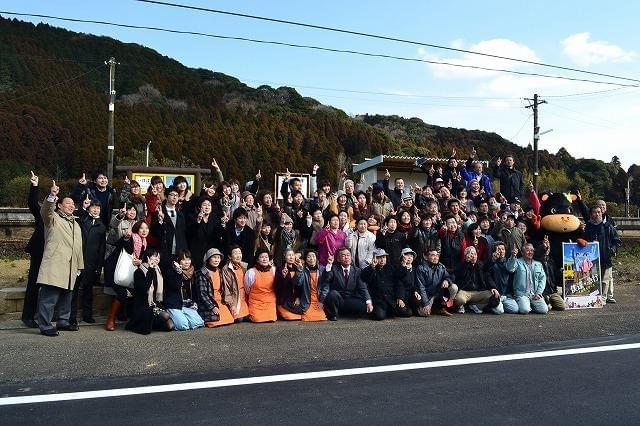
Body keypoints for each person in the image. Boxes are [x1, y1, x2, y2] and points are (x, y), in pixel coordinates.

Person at [36, 180, 84, 336]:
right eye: (67, 203)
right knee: (49, 297)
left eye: (73, 204)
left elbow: (78, 247)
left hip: (71, 266)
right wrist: (51, 196)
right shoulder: (53, 219)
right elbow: (45, 211)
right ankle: (45, 325)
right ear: (59, 206)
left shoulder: (75, 223)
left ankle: (63, 321)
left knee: (66, 297)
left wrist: (79, 266)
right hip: (55, 264)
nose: (71, 206)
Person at [104, 220, 149, 331]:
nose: (144, 231)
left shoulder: (144, 243)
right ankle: (111, 319)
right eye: (141, 228)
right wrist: (126, 238)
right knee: (122, 293)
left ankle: (131, 318)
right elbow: (123, 246)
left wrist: (140, 261)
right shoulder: (131, 238)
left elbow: (141, 258)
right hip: (115, 271)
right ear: (136, 229)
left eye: (146, 228)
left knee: (135, 291)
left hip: (128, 273)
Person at [70, 199, 106, 325]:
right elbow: (79, 216)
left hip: (91, 263)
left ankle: (87, 315)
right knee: (73, 290)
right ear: (89, 209)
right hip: (78, 260)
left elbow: (102, 249)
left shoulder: (101, 226)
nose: (95, 210)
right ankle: (71, 316)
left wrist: (99, 265)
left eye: (98, 208)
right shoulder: (82, 221)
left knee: (88, 290)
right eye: (93, 207)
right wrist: (83, 208)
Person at [125, 249, 175, 334]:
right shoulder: (139, 272)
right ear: (147, 257)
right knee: (165, 316)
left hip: (153, 303)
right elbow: (144, 289)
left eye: (158, 257)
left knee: (170, 326)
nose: (157, 259)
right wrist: (150, 270)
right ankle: (139, 323)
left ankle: (151, 323)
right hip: (143, 305)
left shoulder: (157, 271)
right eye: (154, 256)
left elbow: (156, 292)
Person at [319, 247, 373, 320]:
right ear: (338, 259)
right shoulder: (334, 269)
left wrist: (368, 302)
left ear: (351, 257)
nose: (346, 257)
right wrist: (329, 264)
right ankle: (334, 314)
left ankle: (347, 313)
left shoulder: (357, 270)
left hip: (350, 298)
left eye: (348, 255)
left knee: (363, 306)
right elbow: (326, 279)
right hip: (338, 298)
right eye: (343, 256)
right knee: (332, 294)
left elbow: (362, 288)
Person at [584, 205, 622, 304]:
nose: (596, 214)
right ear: (591, 214)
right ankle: (594, 298)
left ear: (602, 213)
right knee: (593, 279)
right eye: (594, 212)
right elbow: (584, 240)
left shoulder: (607, 226)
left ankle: (603, 299)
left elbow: (617, 241)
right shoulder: (588, 226)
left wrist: (612, 250)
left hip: (606, 257)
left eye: (598, 212)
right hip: (592, 259)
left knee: (605, 280)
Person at [361, 248, 412, 320]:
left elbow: (399, 282)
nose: (382, 260)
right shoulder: (371, 269)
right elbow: (364, 278)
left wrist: (400, 297)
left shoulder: (390, 268)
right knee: (379, 316)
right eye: (379, 258)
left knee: (407, 313)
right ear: (374, 258)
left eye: (384, 257)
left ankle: (389, 311)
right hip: (378, 301)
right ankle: (383, 311)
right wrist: (372, 267)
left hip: (391, 299)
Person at [23, 171, 44, 328]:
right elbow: (32, 204)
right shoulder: (42, 214)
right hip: (39, 251)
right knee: (33, 284)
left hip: (53, 254)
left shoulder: (61, 216)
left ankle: (47, 315)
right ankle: (28, 316)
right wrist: (34, 185)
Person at [164, 251, 205, 330]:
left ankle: (182, 317)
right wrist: (179, 272)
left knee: (198, 323)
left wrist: (194, 303)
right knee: (183, 326)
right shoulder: (171, 272)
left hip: (187, 304)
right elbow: (175, 287)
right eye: (183, 260)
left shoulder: (192, 272)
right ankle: (169, 319)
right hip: (174, 304)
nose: (187, 262)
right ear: (178, 261)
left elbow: (195, 291)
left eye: (188, 259)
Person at [454, 246, 501, 314]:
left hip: (478, 292)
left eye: (475, 254)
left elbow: (487, 275)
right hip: (465, 292)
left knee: (493, 295)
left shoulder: (480, 264)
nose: (474, 256)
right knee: (459, 299)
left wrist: (493, 287)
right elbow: (460, 274)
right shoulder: (462, 264)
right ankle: (462, 306)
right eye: (471, 254)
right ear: (466, 255)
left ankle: (475, 306)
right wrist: (466, 262)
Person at [196, 248, 235, 327]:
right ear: (208, 259)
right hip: (208, 303)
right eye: (214, 257)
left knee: (230, 319)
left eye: (218, 257)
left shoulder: (220, 271)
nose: (216, 260)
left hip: (220, 302)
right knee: (215, 321)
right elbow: (202, 293)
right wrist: (212, 307)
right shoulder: (202, 273)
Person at [505, 244, 548, 314]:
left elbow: (542, 279)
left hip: (534, 294)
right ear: (522, 253)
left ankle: (530, 305)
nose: (530, 252)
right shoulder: (517, 262)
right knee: (525, 310)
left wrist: (539, 293)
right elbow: (510, 269)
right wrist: (513, 256)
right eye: (527, 250)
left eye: (532, 250)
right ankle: (524, 304)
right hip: (522, 294)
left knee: (544, 310)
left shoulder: (538, 264)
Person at [152, 185, 188, 268]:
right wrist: (160, 221)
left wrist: (184, 251)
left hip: (178, 252)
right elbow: (154, 233)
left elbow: (183, 234)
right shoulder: (158, 212)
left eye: (176, 195)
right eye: (172, 195)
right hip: (164, 251)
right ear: (166, 196)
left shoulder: (181, 214)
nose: (174, 197)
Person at [415, 249, 457, 316]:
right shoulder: (420, 268)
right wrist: (426, 304)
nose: (436, 257)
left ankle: (444, 307)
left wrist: (447, 281)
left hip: (439, 293)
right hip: (428, 295)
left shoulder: (441, 266)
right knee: (424, 313)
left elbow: (449, 276)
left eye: (437, 255)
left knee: (454, 287)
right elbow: (421, 288)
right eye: (433, 255)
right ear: (425, 257)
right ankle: (434, 308)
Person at [187, 197, 225, 269]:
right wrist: (198, 221)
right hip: (196, 252)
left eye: (209, 205)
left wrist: (222, 224)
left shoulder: (215, 218)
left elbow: (218, 236)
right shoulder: (192, 217)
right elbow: (190, 234)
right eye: (204, 205)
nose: (207, 207)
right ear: (199, 207)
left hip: (210, 253)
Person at [244, 248, 278, 323]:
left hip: (270, 301)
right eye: (262, 257)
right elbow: (247, 289)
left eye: (266, 257)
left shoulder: (274, 270)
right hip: (256, 302)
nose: (264, 259)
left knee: (272, 318)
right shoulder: (251, 272)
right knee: (256, 319)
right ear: (257, 260)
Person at [485, 242, 519, 314]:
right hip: (496, 294)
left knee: (515, 309)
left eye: (503, 249)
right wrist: (493, 259)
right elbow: (486, 270)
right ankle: (493, 306)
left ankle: (501, 305)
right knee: (499, 311)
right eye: (499, 249)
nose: (501, 251)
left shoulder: (508, 261)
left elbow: (510, 268)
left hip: (506, 295)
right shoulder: (491, 261)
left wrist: (513, 256)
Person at [535, 235, 566, 311]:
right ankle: (546, 301)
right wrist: (544, 246)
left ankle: (549, 301)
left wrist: (560, 272)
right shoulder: (536, 261)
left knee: (562, 306)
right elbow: (540, 252)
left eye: (549, 247)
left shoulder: (551, 261)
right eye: (545, 247)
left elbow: (555, 276)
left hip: (552, 291)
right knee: (547, 308)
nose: (547, 249)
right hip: (541, 292)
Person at [294, 249, 327, 321]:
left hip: (319, 300)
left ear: (316, 258)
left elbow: (326, 287)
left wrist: (321, 301)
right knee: (307, 317)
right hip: (307, 300)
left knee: (321, 317)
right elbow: (298, 283)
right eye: (309, 257)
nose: (311, 259)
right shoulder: (303, 270)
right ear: (305, 259)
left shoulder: (322, 269)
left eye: (313, 256)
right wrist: (299, 271)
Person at [221, 245, 250, 321]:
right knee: (239, 319)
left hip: (245, 298)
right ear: (230, 256)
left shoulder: (244, 266)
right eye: (235, 253)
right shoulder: (226, 269)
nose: (238, 255)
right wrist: (231, 305)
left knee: (249, 318)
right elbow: (226, 289)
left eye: (240, 253)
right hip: (235, 299)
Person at [275, 249, 303, 320]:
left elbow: (300, 286)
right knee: (289, 317)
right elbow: (277, 287)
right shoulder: (280, 269)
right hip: (284, 300)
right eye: (289, 255)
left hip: (295, 300)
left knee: (303, 315)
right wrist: (283, 277)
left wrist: (298, 297)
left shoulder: (297, 268)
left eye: (293, 255)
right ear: (284, 257)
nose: (291, 257)